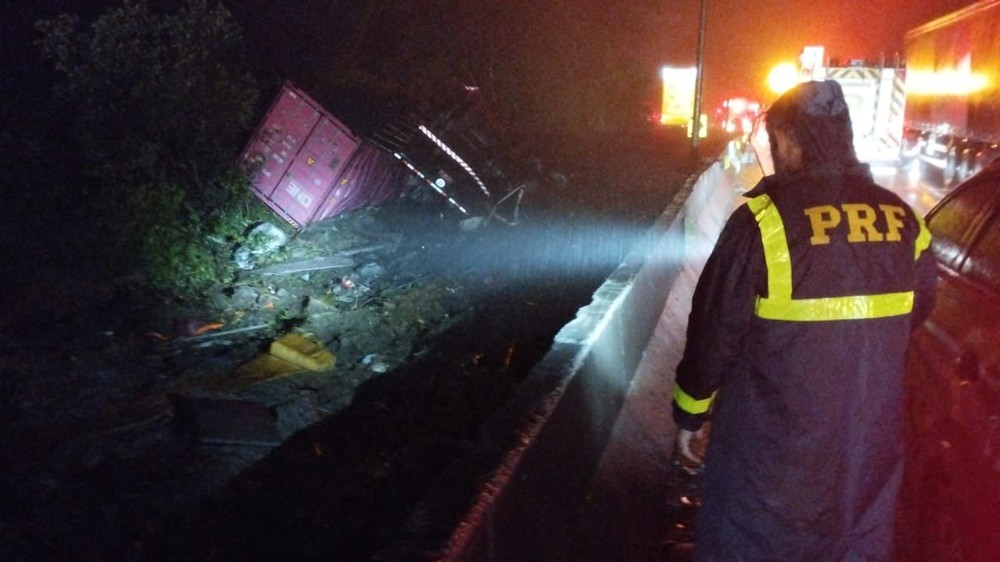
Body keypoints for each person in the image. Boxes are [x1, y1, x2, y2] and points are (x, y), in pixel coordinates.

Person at [669, 80, 937, 561]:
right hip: (865, 456)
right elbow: (918, 312)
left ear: (789, 140)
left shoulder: (764, 223)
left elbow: (714, 331)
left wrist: (690, 414)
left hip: (769, 462)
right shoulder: (905, 222)